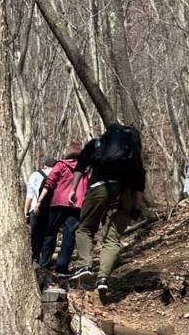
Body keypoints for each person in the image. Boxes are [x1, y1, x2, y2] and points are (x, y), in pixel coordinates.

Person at [67, 124, 145, 294]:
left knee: (85, 229)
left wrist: (73, 189)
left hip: (99, 187)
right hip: (125, 194)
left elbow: (80, 167)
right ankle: (103, 278)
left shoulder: (96, 144)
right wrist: (138, 205)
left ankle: (85, 266)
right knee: (112, 238)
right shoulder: (132, 151)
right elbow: (140, 179)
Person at [34, 142, 88, 279]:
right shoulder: (85, 169)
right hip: (76, 205)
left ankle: (43, 265)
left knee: (50, 233)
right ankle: (62, 269)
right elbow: (87, 188)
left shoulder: (61, 165)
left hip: (57, 203)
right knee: (69, 236)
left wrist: (39, 201)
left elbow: (49, 183)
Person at [24, 157, 57, 263]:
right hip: (53, 210)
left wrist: (26, 210)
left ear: (45, 165)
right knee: (50, 235)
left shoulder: (35, 175)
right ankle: (45, 261)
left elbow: (30, 194)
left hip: (36, 209)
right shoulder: (58, 174)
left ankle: (35, 259)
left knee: (36, 234)